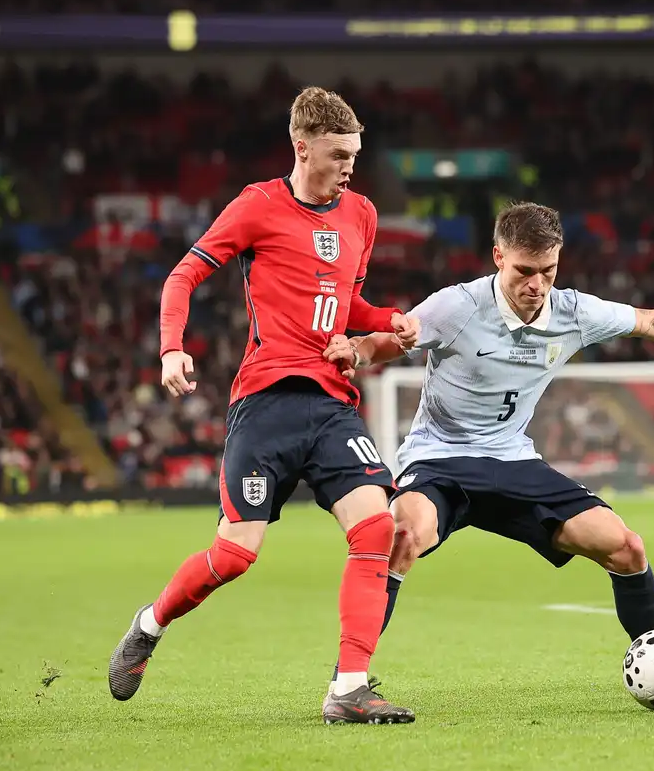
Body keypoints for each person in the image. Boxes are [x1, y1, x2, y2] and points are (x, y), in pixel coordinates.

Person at [321, 202, 654, 702]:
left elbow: (653, 322)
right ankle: (350, 681)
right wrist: (355, 351)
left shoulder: (573, 311)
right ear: (498, 256)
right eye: (524, 271)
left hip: (514, 461)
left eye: (547, 271)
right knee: (401, 535)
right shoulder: (456, 306)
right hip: (440, 458)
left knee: (627, 548)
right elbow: (388, 343)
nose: (536, 285)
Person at [107, 87, 421, 724]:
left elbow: (344, 306)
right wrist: (172, 349)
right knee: (235, 555)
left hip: (332, 404)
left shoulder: (361, 213)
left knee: (377, 528)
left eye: (355, 154)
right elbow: (182, 276)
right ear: (302, 148)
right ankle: (150, 623)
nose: (349, 166)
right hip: (268, 403)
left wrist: (389, 319)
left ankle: (349, 688)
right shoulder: (258, 205)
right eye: (338, 155)